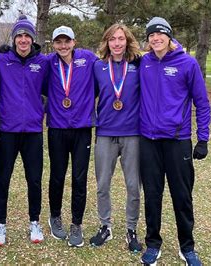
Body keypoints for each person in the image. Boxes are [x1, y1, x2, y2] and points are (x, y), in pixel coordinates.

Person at [139, 17, 210, 266]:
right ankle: (152, 244)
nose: (155, 38)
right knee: (152, 195)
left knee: (182, 196)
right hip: (148, 141)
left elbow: (202, 103)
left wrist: (203, 139)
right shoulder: (143, 62)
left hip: (177, 141)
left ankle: (187, 247)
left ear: (169, 36)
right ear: (147, 40)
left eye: (160, 34)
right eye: (151, 35)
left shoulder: (187, 63)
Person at [0, 15, 48, 246]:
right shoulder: (1, 61)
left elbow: (49, 89)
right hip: (7, 130)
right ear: (14, 39)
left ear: (33, 39)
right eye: (19, 36)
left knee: (34, 179)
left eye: (27, 36)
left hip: (33, 131)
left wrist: (38, 110)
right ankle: (0, 225)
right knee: (2, 179)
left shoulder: (43, 62)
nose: (23, 40)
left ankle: (34, 222)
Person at [89, 23, 142, 252]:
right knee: (102, 185)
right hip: (105, 133)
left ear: (127, 41)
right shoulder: (98, 67)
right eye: (113, 39)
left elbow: (168, 50)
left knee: (133, 186)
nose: (117, 43)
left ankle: (131, 229)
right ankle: (105, 226)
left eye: (121, 39)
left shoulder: (140, 64)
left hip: (133, 134)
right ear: (106, 42)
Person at [45, 26, 97, 247]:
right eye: (59, 42)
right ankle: (55, 216)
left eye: (67, 41)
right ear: (53, 44)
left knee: (79, 177)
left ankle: (77, 223)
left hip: (82, 128)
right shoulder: (48, 62)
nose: (63, 46)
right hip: (57, 128)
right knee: (57, 175)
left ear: (74, 42)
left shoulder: (89, 59)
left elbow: (111, 66)